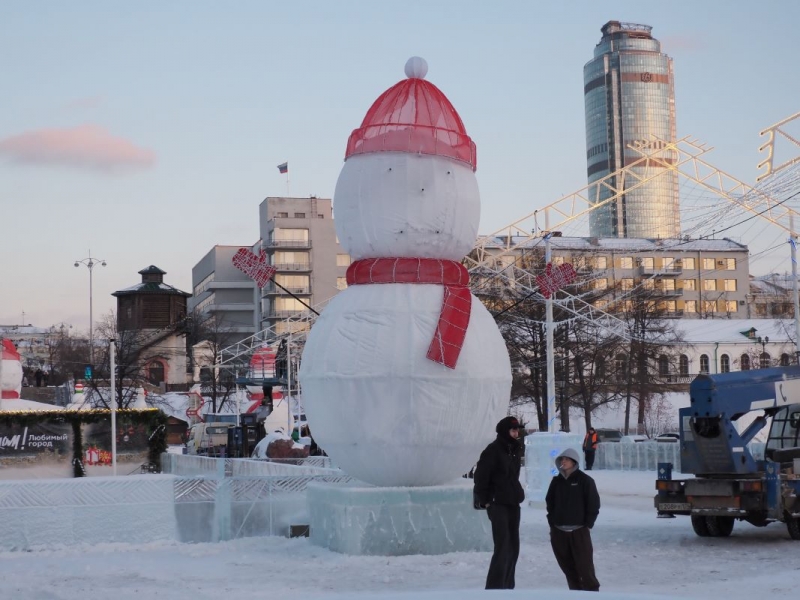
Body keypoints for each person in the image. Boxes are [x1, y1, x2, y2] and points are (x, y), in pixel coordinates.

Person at [473, 416, 524, 590]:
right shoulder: (493, 450)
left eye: (517, 429)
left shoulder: (514, 449)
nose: (516, 433)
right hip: (497, 503)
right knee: (503, 546)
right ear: (505, 431)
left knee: (513, 547)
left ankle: (508, 587)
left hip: (512, 502)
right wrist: (486, 502)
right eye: (513, 429)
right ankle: (495, 589)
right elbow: (480, 477)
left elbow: (512, 476)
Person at [546, 448, 601, 592]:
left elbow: (593, 504)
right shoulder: (556, 481)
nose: (563, 462)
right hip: (559, 532)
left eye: (567, 459)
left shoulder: (585, 481)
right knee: (568, 569)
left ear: (574, 462)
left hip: (579, 532)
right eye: (561, 459)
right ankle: (575, 594)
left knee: (585, 569)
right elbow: (549, 502)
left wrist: (588, 524)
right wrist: (552, 523)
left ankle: (592, 594)